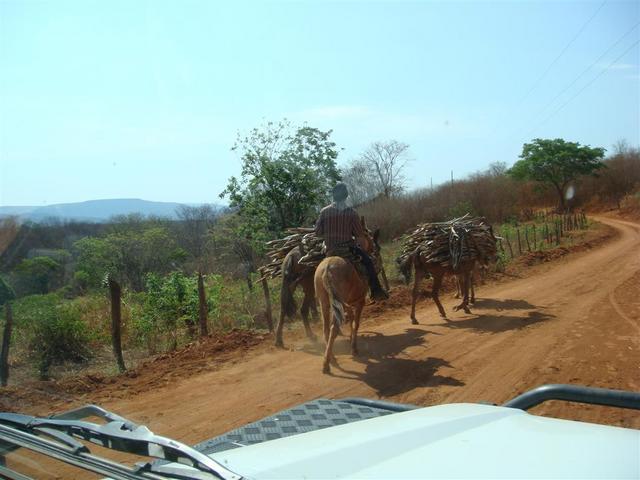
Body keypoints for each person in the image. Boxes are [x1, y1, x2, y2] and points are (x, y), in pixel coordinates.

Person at [314, 182, 389, 301]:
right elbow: (359, 235)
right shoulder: (352, 213)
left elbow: (317, 232)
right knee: (368, 262)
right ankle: (376, 291)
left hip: (329, 251)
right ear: (346, 196)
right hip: (347, 250)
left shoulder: (324, 211)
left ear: (333, 196)